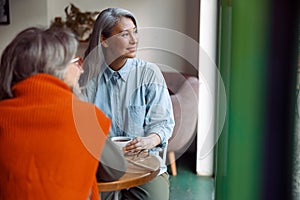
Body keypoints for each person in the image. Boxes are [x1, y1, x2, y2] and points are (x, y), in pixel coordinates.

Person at [0, 27, 126, 200]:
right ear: (55, 69)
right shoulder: (82, 117)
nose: (81, 70)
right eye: (76, 62)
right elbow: (116, 168)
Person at [82, 8, 175, 200]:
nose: (134, 40)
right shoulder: (86, 79)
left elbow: (163, 123)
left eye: (135, 31)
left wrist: (149, 140)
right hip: (101, 166)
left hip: (145, 163)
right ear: (104, 40)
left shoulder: (149, 73)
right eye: (125, 34)